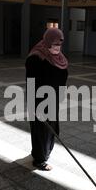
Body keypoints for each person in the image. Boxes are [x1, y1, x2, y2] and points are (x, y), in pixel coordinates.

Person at [25, 28, 69, 171]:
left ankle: (42, 153)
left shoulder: (59, 58)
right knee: (41, 130)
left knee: (53, 129)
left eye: (59, 45)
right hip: (40, 101)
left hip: (53, 100)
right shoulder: (36, 57)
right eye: (54, 45)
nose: (57, 48)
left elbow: (62, 78)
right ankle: (39, 160)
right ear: (47, 42)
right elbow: (31, 83)